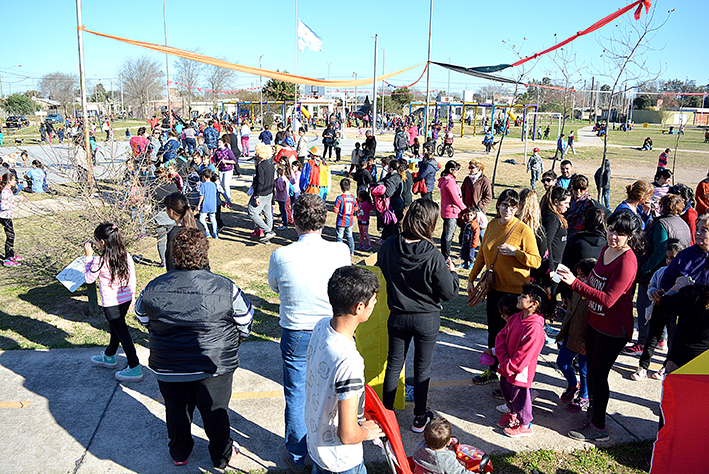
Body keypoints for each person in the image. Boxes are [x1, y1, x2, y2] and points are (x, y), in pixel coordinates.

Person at [134, 228, 252, 469]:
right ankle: (221, 455)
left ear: (174, 255)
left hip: (169, 364)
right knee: (216, 411)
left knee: (176, 411)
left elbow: (141, 315)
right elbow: (245, 320)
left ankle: (179, 452)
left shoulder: (154, 286)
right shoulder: (225, 287)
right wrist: (236, 339)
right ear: (204, 253)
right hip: (215, 365)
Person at [268, 194, 351, 472]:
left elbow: (274, 287)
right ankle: (326, 447)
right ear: (324, 219)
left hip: (297, 330)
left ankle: (296, 453)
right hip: (332, 328)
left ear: (294, 220)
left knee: (296, 394)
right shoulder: (340, 251)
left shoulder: (281, 255)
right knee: (334, 393)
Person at [557, 210, 643, 441]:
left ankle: (599, 426)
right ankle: (593, 413)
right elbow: (594, 280)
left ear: (630, 237)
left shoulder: (627, 261)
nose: (613, 236)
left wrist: (575, 284)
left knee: (598, 374)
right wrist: (576, 278)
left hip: (613, 329)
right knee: (592, 373)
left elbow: (608, 299)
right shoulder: (606, 250)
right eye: (611, 229)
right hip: (594, 322)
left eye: (620, 233)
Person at [377, 199, 459, 432]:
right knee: (422, 369)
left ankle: (387, 414)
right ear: (430, 224)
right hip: (426, 317)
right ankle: (419, 417)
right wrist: (453, 273)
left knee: (394, 364)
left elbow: (382, 267)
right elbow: (450, 292)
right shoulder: (432, 254)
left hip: (398, 315)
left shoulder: (389, 245)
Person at [304, 266, 384, 474]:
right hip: (341, 461)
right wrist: (367, 432)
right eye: (373, 301)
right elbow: (348, 435)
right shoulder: (349, 361)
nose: (374, 304)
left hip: (317, 446)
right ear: (359, 307)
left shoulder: (322, 326)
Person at [468, 189, 542, 386]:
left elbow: (536, 261)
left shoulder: (523, 230)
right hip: (494, 289)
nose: (507, 209)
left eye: (512, 206)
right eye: (504, 205)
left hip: (515, 293)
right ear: (498, 206)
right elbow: (482, 255)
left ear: (517, 208)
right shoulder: (492, 225)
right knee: (494, 332)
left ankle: (508, 377)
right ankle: (492, 371)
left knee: (509, 336)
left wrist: (516, 253)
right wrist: (471, 279)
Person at [85, 223, 141, 382]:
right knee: (116, 328)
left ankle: (134, 366)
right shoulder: (126, 255)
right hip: (125, 299)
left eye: (97, 241)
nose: (95, 244)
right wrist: (133, 298)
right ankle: (109, 355)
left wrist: (89, 256)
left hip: (111, 304)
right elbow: (133, 277)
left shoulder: (100, 261)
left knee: (122, 333)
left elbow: (89, 278)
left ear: (103, 242)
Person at [490, 283, 548, 438]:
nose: (519, 297)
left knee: (519, 395)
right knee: (506, 390)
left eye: (523, 296)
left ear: (534, 304)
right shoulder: (516, 317)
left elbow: (525, 354)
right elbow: (501, 337)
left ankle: (526, 424)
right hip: (507, 365)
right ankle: (513, 413)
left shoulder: (535, 328)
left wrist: (510, 365)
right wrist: (503, 360)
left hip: (520, 370)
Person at [631, 242, 685, 381]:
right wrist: (654, 293)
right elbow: (651, 286)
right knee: (652, 338)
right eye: (667, 257)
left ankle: (665, 367)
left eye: (673, 258)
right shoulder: (661, 272)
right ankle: (643, 366)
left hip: (675, 314)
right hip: (658, 309)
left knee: (672, 342)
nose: (669, 261)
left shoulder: (684, 276)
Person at [555, 258, 596, 413]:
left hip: (586, 339)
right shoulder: (576, 291)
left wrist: (588, 341)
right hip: (572, 334)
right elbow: (570, 312)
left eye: (583, 277)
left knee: (584, 370)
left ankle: (584, 396)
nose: (579, 280)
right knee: (562, 362)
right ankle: (573, 385)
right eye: (577, 276)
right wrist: (564, 331)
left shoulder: (594, 296)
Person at [541, 186, 571, 294]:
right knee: (549, 297)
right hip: (551, 266)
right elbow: (547, 242)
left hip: (556, 264)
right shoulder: (552, 218)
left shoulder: (556, 217)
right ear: (556, 201)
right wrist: (551, 268)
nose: (568, 206)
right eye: (566, 203)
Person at [163, 192, 205, 272]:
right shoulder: (199, 226)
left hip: (181, 276)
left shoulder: (175, 233)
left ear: (171, 211)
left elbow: (170, 261)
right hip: (201, 273)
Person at [438, 160, 466, 260]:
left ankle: (445, 254)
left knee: (446, 234)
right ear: (451, 170)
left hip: (448, 211)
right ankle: (446, 256)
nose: (458, 171)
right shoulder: (449, 182)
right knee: (448, 235)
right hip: (451, 212)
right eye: (456, 169)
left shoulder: (448, 180)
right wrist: (465, 209)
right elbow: (456, 198)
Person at [249, 143, 276, 243]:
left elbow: (260, 182)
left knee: (252, 212)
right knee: (268, 214)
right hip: (269, 193)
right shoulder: (271, 165)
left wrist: (256, 196)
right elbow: (272, 181)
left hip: (262, 193)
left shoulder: (261, 166)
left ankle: (267, 231)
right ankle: (267, 238)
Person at [0, 173, 25, 267]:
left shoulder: (8, 191)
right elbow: (3, 206)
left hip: (8, 216)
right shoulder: (4, 192)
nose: (15, 181)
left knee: (11, 235)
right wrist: (15, 204)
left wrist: (19, 198)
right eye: (14, 180)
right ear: (9, 181)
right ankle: (7, 259)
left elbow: (10, 198)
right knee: (10, 236)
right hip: (4, 217)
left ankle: (11, 254)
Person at [333, 178, 359, 256]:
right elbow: (356, 208)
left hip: (341, 220)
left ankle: (340, 252)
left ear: (341, 188)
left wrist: (338, 211)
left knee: (339, 236)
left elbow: (335, 209)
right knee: (350, 236)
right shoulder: (353, 197)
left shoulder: (340, 198)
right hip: (350, 221)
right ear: (350, 187)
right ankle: (352, 251)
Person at [211, 138, 236, 207]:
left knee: (226, 185)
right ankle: (225, 198)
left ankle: (228, 200)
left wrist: (226, 161)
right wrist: (213, 164)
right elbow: (215, 161)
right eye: (218, 142)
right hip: (221, 170)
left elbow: (234, 161)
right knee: (222, 185)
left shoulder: (228, 151)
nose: (219, 144)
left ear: (224, 143)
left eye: (220, 142)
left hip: (228, 170)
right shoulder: (217, 151)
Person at [197, 169, 218, 239]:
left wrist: (198, 205)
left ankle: (207, 232)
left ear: (204, 177)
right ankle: (215, 232)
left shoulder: (203, 185)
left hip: (205, 204)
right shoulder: (214, 185)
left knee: (202, 219)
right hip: (213, 204)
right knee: (213, 219)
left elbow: (202, 195)